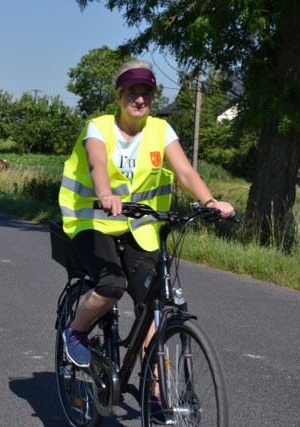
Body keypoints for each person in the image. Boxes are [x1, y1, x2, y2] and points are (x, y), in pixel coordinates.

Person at [58, 60, 235, 421]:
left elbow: (185, 170)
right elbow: (96, 166)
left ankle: (155, 398)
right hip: (93, 222)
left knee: (152, 306)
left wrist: (210, 202)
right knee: (111, 286)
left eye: (147, 93)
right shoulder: (99, 127)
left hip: (140, 228)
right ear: (119, 96)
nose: (140, 99)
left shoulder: (160, 130)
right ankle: (75, 334)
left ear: (153, 97)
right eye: (132, 92)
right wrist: (105, 194)